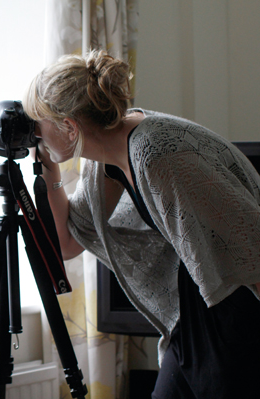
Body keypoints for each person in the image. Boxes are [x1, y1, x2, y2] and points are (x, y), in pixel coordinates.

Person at [23, 50, 260, 398]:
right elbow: (69, 244)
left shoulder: (157, 154)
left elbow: (251, 244)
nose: (34, 134)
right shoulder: (104, 158)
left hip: (232, 310)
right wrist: (49, 170)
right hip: (194, 311)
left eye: (37, 124)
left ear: (70, 127)